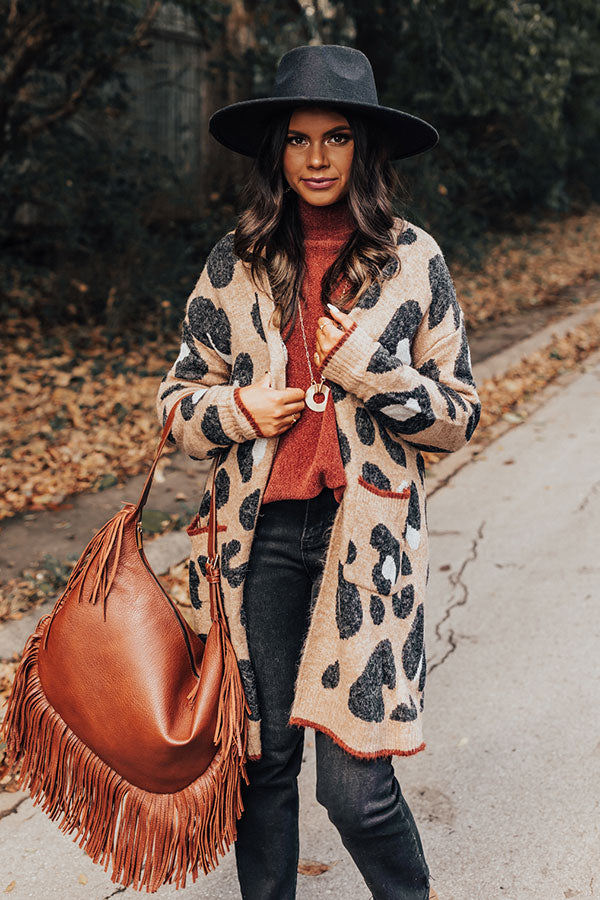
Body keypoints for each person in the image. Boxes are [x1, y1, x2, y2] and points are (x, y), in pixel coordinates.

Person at [156, 44, 480, 900]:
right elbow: (176, 402)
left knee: (355, 788)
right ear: (278, 151)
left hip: (364, 543)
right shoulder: (237, 259)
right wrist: (235, 412)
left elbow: (458, 416)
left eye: (337, 137)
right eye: (299, 139)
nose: (317, 157)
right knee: (261, 769)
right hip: (255, 542)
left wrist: (371, 369)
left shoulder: (413, 259)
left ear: (365, 148)